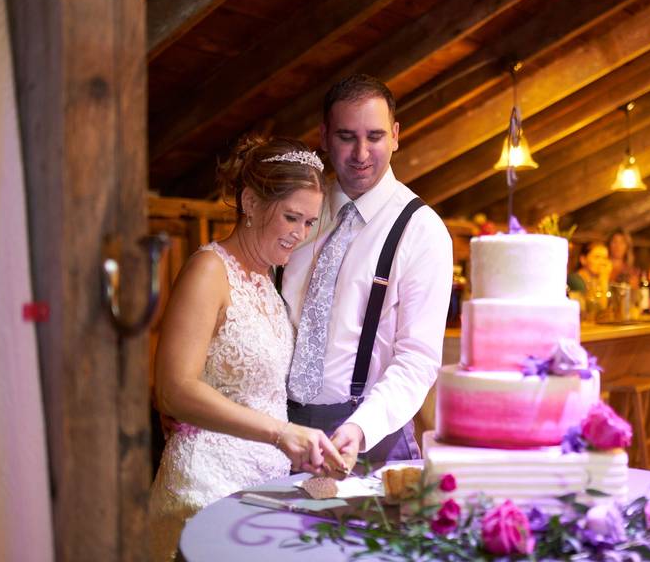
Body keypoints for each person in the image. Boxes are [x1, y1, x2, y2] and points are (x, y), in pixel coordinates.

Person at [148, 136, 346, 561]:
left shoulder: (267, 284)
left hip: (261, 492)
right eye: (292, 217)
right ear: (251, 202)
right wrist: (281, 433)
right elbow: (173, 389)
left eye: (310, 222)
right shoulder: (208, 271)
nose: (300, 234)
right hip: (203, 489)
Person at [281, 74, 453, 468]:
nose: (361, 153)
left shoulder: (421, 229)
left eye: (374, 136)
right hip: (279, 431)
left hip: (369, 436)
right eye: (346, 136)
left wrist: (360, 427)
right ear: (324, 137)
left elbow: (418, 359)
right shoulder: (297, 212)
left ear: (395, 135)